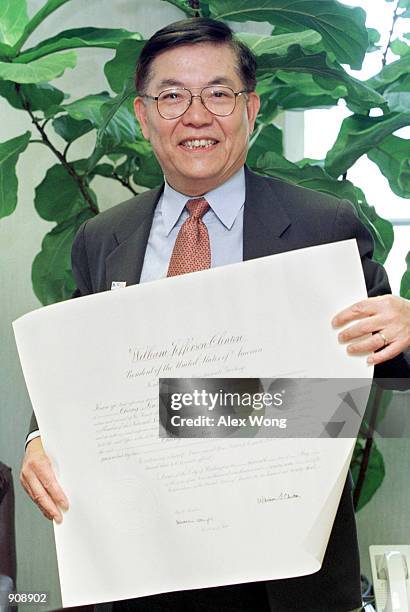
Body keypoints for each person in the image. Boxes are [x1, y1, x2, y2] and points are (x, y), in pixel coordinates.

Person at [21, 18, 410, 612]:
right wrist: (42, 435)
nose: (196, 115)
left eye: (219, 93)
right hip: (138, 561)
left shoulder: (322, 227)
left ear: (251, 108)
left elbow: (374, 379)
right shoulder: (102, 238)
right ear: (145, 114)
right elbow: (78, 366)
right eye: (173, 95)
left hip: (284, 572)